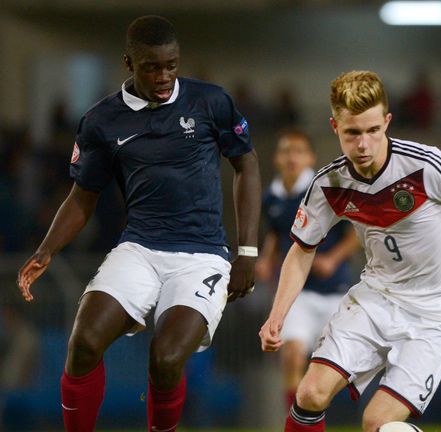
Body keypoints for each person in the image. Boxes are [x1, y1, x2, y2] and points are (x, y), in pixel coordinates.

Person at [15, 15, 261, 432]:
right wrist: (46, 249)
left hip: (202, 256)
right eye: (152, 67)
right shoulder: (101, 121)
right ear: (128, 63)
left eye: (172, 65)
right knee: (84, 341)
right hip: (140, 248)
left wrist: (247, 251)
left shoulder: (210, 101)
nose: (164, 76)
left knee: (165, 360)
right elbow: (82, 198)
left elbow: (247, 165)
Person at [259, 70, 441, 432]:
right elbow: (301, 249)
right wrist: (277, 315)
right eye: (353, 133)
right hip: (376, 298)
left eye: (373, 130)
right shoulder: (328, 184)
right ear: (335, 126)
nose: (364, 145)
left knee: (377, 422)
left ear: (387, 122)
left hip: (435, 311)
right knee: (309, 394)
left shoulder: (426, 165)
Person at [255, 129, 358, 410]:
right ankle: (297, 420)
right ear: (277, 158)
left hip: (335, 291)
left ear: (310, 157)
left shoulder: (325, 191)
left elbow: (354, 235)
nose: (292, 158)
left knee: (343, 369)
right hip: (299, 294)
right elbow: (276, 234)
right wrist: (267, 259)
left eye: (298, 151)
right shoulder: (271, 198)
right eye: (286, 151)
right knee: (291, 356)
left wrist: (332, 259)